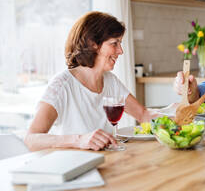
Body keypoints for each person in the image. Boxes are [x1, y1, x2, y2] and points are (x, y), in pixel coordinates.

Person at [25, 11, 157, 151]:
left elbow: (143, 115)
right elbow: (31, 139)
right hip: (73, 167)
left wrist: (176, 112)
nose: (120, 51)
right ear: (93, 44)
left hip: (104, 163)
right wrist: (79, 140)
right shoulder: (62, 85)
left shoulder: (110, 81)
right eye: (114, 43)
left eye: (120, 43)